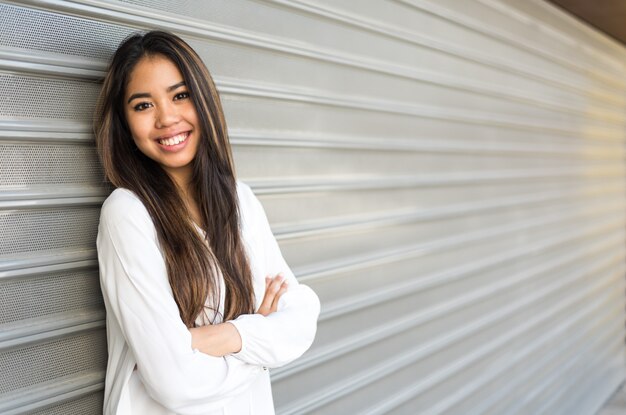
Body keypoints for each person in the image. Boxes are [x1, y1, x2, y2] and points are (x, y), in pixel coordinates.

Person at [93, 30, 320, 415]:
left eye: (180, 96)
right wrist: (259, 341)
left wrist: (219, 336)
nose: (167, 118)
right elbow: (175, 382)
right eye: (143, 105)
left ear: (203, 100)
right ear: (125, 125)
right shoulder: (127, 214)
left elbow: (302, 316)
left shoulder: (240, 200)